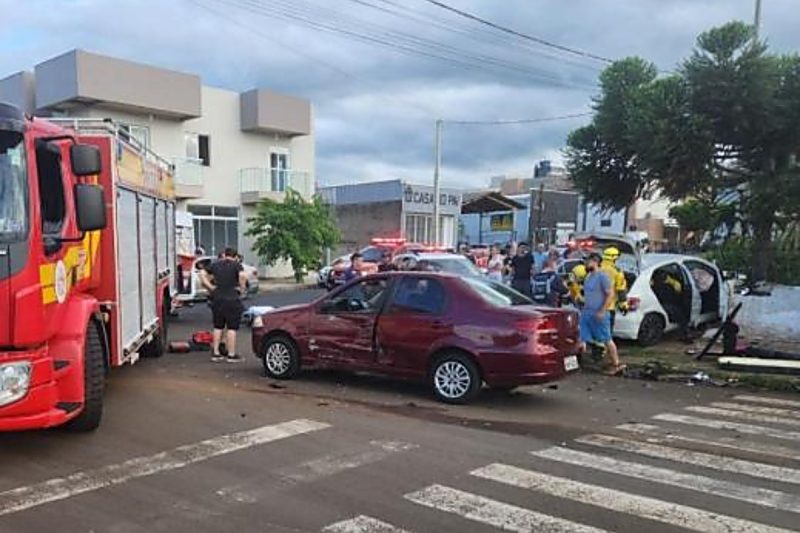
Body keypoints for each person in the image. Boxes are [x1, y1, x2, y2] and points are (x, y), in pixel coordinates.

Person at [580, 252, 625, 376]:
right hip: (587, 312)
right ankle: (580, 361)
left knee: (606, 338)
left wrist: (602, 310)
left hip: (599, 312)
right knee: (582, 337)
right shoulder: (588, 277)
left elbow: (610, 294)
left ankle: (616, 363)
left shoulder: (602, 277)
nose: (585, 263)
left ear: (595, 261)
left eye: (588, 261)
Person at [200, 247, 248, 363]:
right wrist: (242, 289)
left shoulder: (216, 265)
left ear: (225, 254)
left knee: (218, 326)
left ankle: (216, 353)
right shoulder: (237, 265)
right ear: (235, 256)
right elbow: (243, 276)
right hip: (232, 298)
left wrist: (210, 287)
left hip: (217, 298)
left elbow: (202, 273)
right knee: (232, 328)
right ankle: (231, 355)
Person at [599, 246, 629, 332]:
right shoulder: (617, 271)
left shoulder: (596, 269)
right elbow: (621, 290)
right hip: (609, 307)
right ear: (614, 258)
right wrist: (624, 305)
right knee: (607, 332)